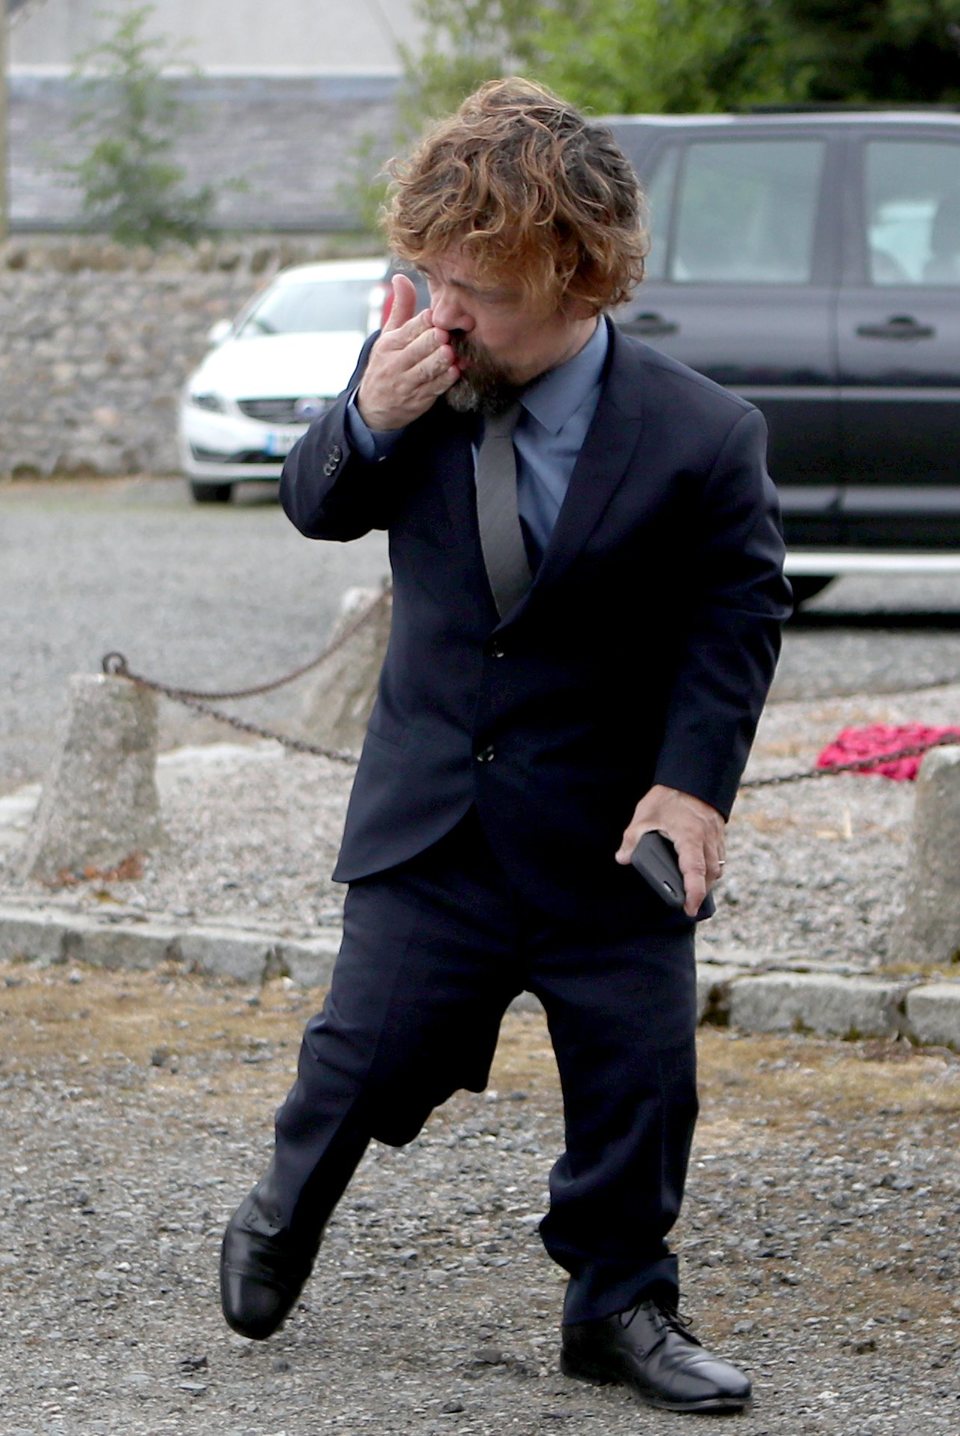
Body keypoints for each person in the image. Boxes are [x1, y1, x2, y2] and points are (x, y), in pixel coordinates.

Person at [220, 77, 792, 1415]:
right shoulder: (417, 384)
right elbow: (313, 503)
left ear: (579, 275)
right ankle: (284, 1209)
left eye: (476, 284)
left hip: (611, 833)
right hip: (434, 826)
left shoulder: (706, 434)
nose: (446, 309)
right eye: (429, 274)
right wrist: (367, 413)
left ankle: (620, 1309)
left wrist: (694, 785)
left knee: (643, 1078)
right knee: (365, 1056)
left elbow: (740, 612)